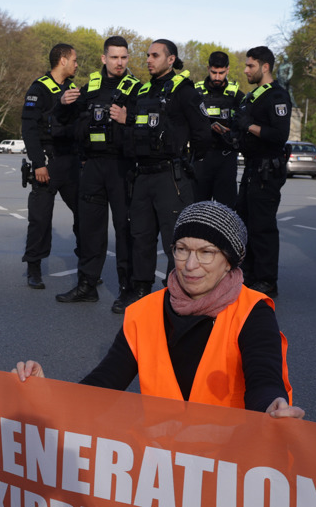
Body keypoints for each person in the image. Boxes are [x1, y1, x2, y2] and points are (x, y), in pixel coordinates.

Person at [15, 201, 300, 416]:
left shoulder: (253, 311)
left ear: (230, 261)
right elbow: (104, 382)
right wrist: (48, 392)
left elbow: (264, 378)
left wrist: (270, 407)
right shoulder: (145, 311)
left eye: (206, 252)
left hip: (228, 462)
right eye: (182, 249)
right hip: (162, 465)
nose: (190, 264)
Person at [55, 35, 141, 311]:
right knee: (89, 228)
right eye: (114, 57)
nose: (119, 62)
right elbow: (67, 125)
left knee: (124, 229)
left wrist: (127, 121)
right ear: (104, 58)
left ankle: (127, 289)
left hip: (121, 166)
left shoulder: (137, 89)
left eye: (124, 57)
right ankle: (87, 286)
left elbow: (145, 130)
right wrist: (64, 105)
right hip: (92, 164)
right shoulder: (90, 85)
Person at [124, 39, 210, 310]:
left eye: (155, 55)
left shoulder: (184, 91)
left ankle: (177, 296)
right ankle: (141, 292)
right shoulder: (142, 90)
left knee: (175, 240)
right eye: (147, 55)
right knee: (141, 236)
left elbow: (203, 134)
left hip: (170, 177)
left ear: (171, 59)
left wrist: (186, 162)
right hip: (143, 176)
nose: (149, 60)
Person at [21, 43, 82, 289]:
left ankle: (87, 265)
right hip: (47, 161)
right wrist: (38, 164)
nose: (77, 65)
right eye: (75, 60)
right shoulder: (39, 89)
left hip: (70, 162)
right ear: (63, 60)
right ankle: (33, 267)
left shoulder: (72, 89)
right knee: (40, 218)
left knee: (85, 213)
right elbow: (29, 128)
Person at [233, 46, 292, 298]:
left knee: (263, 228)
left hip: (267, 171)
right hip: (251, 168)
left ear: (265, 67)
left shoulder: (276, 95)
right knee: (245, 225)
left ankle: (267, 281)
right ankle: (247, 275)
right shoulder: (252, 96)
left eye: (250, 66)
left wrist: (250, 126)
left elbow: (279, 135)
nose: (246, 70)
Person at [193, 51, 243, 207]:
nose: (217, 77)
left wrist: (231, 131)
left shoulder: (237, 95)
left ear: (227, 70)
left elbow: (245, 123)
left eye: (221, 73)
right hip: (201, 157)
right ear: (208, 68)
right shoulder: (195, 92)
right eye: (214, 72)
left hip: (226, 157)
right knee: (198, 209)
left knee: (226, 210)